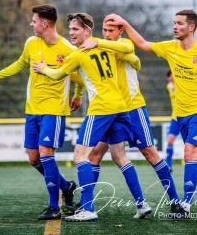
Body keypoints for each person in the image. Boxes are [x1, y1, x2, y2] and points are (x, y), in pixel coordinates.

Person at [102, 9, 197, 219]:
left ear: (191, 27)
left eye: (180, 23)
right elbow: (144, 45)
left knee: (189, 153)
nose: (175, 26)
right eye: (174, 23)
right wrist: (125, 24)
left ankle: (185, 206)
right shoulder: (170, 47)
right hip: (180, 115)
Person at [32, 12, 151, 222]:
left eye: (76, 29)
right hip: (120, 107)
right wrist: (98, 43)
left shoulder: (79, 54)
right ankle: (141, 204)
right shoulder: (105, 46)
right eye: (70, 30)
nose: (72, 33)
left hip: (102, 108)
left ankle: (87, 208)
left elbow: (58, 74)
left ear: (88, 31)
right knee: (120, 157)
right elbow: (128, 48)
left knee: (80, 156)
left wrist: (42, 68)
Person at [64, 18, 181, 216]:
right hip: (111, 111)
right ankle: (88, 204)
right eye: (104, 30)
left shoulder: (124, 44)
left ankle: (176, 201)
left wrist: (130, 57)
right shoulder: (104, 48)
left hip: (134, 108)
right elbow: (82, 74)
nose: (107, 34)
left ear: (121, 31)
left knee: (150, 154)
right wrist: (77, 94)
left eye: (111, 30)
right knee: (95, 155)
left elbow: (134, 57)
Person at [0, 4, 82, 220]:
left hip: (53, 110)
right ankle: (67, 186)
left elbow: (80, 76)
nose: (31, 24)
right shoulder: (31, 43)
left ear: (45, 24)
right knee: (34, 159)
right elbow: (20, 64)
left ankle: (54, 206)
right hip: (32, 109)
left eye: (34, 21)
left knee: (45, 154)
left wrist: (78, 95)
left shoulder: (68, 49)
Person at [165, 69, 179, 172]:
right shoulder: (170, 86)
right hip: (175, 118)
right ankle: (169, 165)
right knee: (170, 140)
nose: (172, 77)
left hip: (186, 117)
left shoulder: (181, 84)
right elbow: (173, 89)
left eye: (173, 75)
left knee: (191, 143)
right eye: (170, 76)